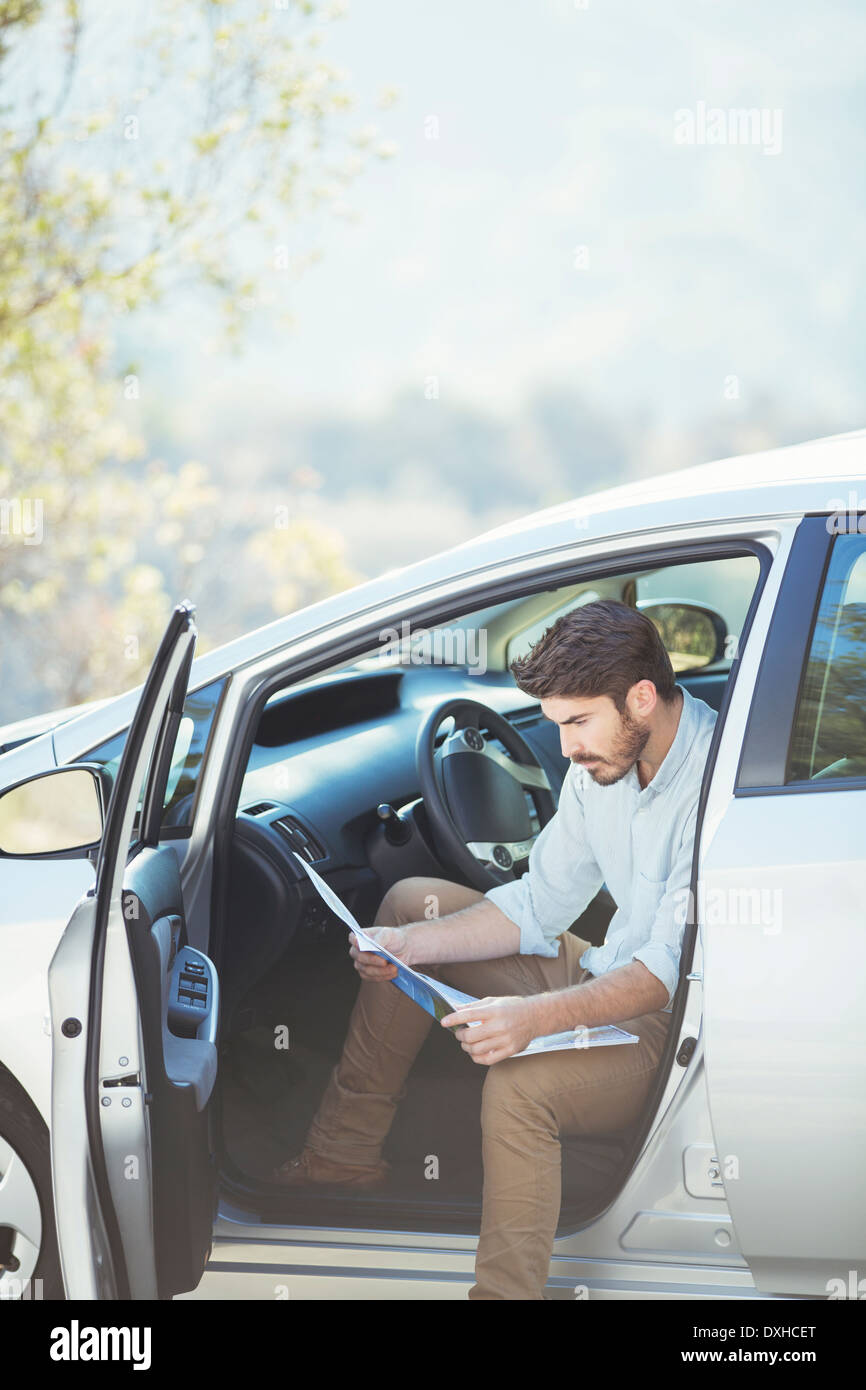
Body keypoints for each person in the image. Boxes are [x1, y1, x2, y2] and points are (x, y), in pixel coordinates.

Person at [272, 598, 717, 1299]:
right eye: (557, 726)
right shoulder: (599, 767)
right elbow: (541, 903)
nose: (566, 748)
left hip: (672, 1020)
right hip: (609, 967)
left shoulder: (717, 785)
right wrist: (409, 944)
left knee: (518, 1090)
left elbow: (665, 973)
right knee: (408, 905)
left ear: (640, 698)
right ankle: (340, 1159)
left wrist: (529, 1020)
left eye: (577, 724)